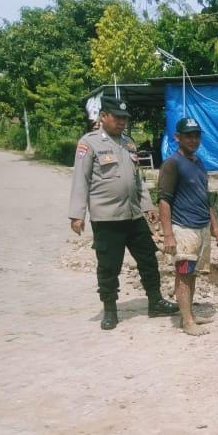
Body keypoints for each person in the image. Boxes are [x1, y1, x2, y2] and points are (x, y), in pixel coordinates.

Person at [68, 96, 179, 330]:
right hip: (107, 218)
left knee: (148, 259)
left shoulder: (129, 144)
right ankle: (110, 309)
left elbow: (137, 180)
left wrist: (148, 206)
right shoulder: (89, 144)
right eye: (117, 118)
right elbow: (81, 180)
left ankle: (155, 301)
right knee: (109, 266)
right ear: (103, 117)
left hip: (133, 215)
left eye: (124, 119)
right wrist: (77, 214)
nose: (121, 123)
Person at [158, 117, 218, 336]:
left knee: (192, 273)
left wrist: (215, 226)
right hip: (184, 228)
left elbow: (205, 198)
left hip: (201, 227)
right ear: (177, 137)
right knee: (184, 273)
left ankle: (189, 316)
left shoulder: (198, 162)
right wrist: (168, 234)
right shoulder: (172, 163)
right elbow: (164, 200)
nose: (193, 139)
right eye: (188, 135)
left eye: (196, 135)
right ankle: (186, 321)